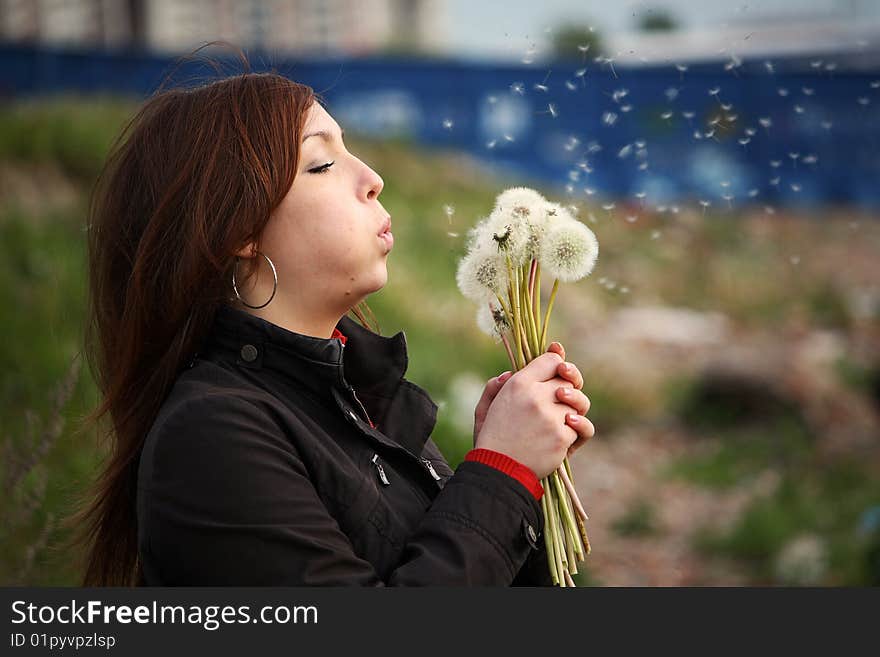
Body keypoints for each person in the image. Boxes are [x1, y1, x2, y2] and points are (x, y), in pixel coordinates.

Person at [72, 65, 595, 586]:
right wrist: (500, 473)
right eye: (321, 164)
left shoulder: (363, 401)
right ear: (239, 228)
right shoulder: (211, 437)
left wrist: (519, 472)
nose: (372, 178)